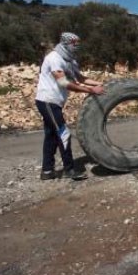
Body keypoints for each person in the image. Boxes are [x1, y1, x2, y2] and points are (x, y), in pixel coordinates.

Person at [35, 32, 105, 181]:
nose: (77, 46)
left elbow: (80, 78)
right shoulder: (54, 58)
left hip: (55, 102)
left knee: (51, 136)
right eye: (74, 43)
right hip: (47, 101)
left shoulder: (70, 60)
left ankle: (47, 171)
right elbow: (63, 83)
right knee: (64, 133)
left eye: (77, 43)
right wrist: (91, 91)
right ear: (66, 43)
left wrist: (99, 85)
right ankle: (69, 169)